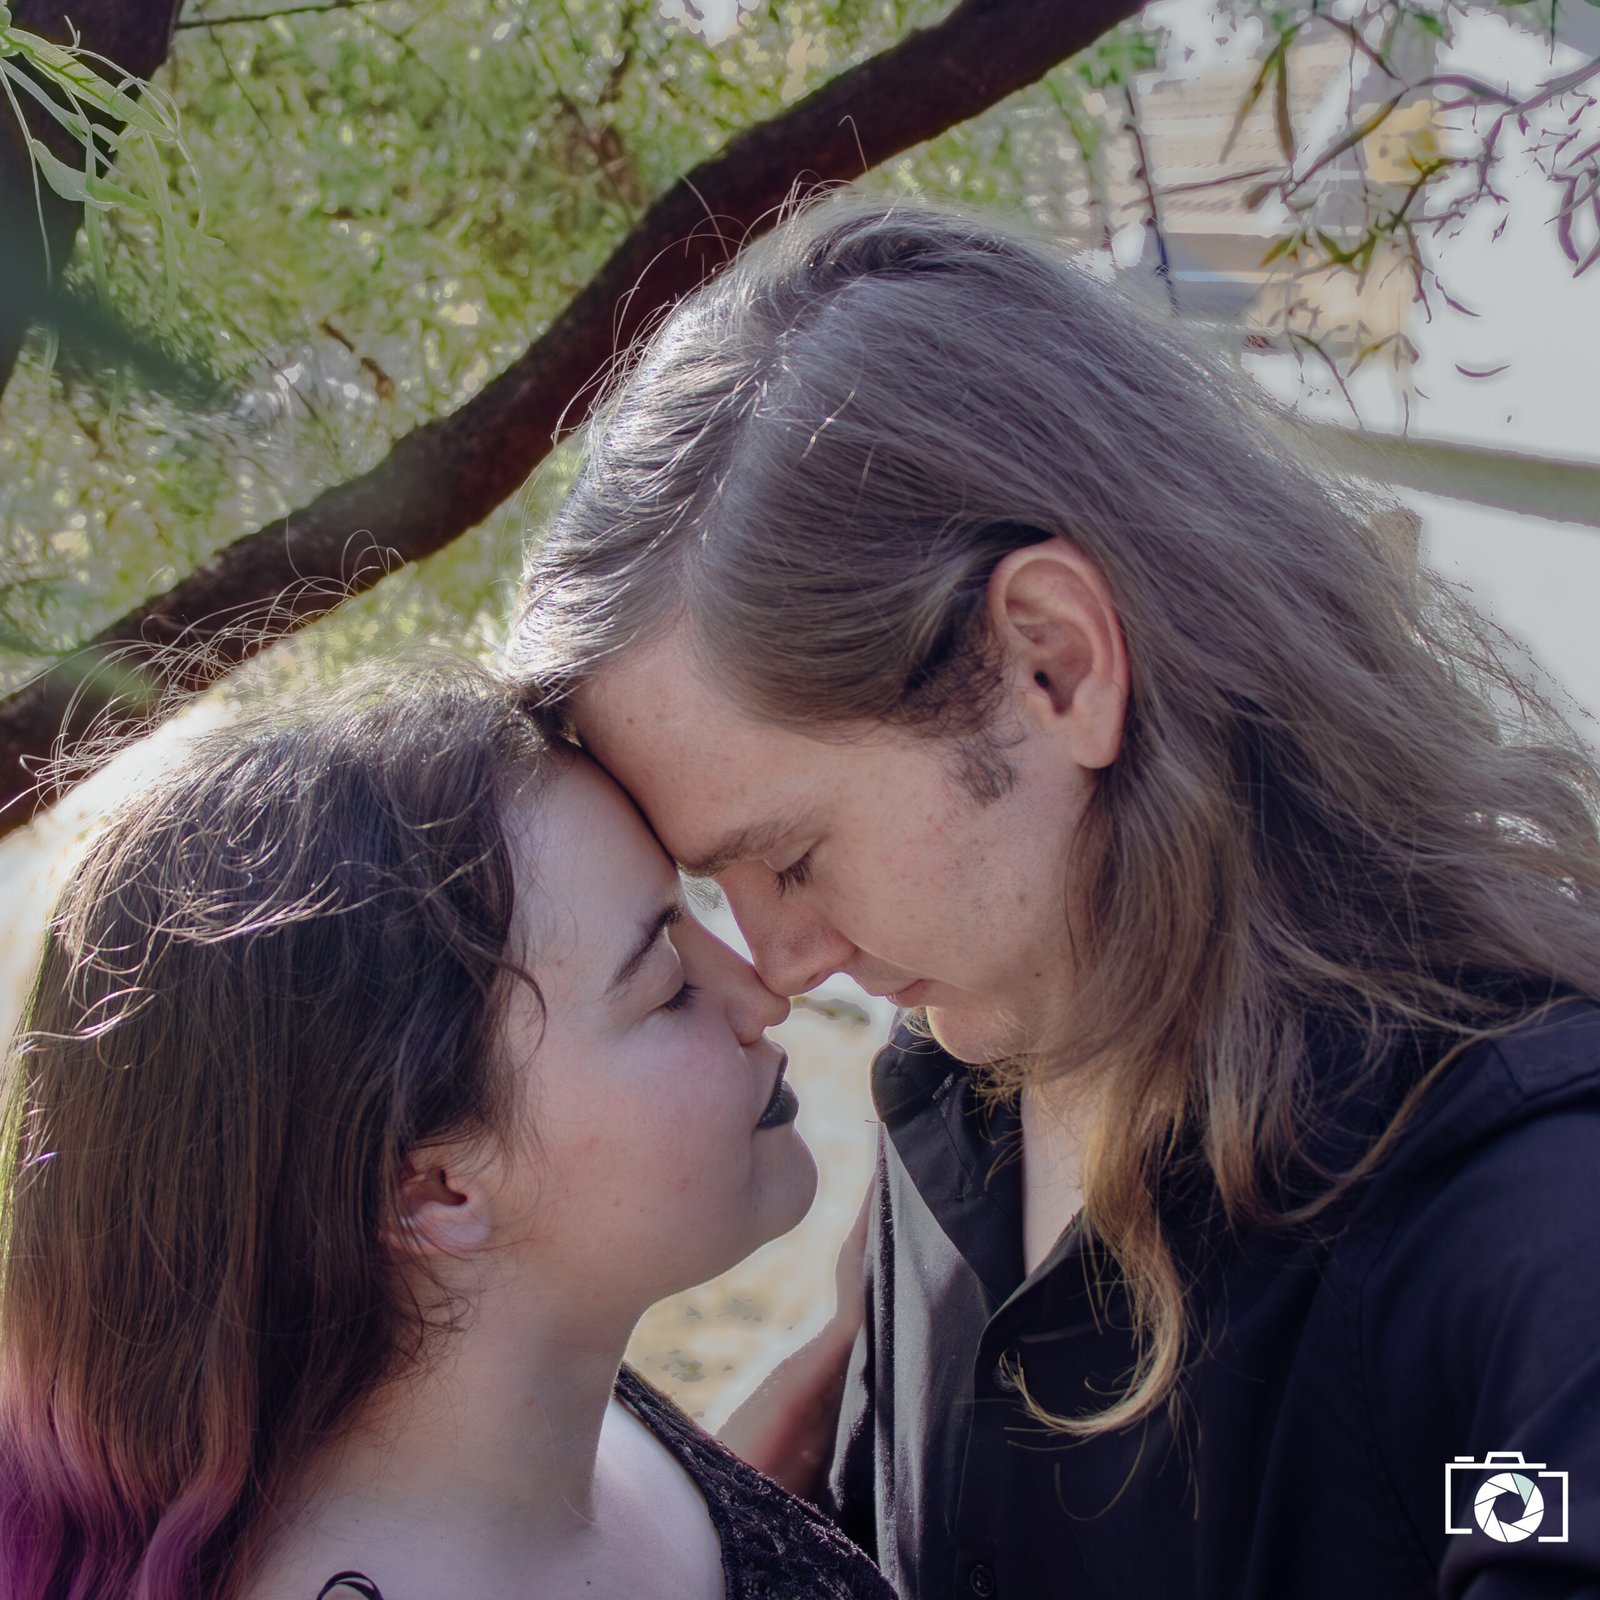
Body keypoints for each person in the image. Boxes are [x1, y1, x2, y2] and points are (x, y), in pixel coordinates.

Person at [510, 197, 1600, 1599]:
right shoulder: (948, 1120)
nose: (772, 963)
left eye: (788, 855)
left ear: (1055, 665)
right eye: (711, 889)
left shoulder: (1534, 1224)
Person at [0, 664, 896, 1600]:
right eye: (666, 987)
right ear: (434, 1190)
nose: (763, 996)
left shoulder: (528, 1424)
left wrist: (845, 1339)